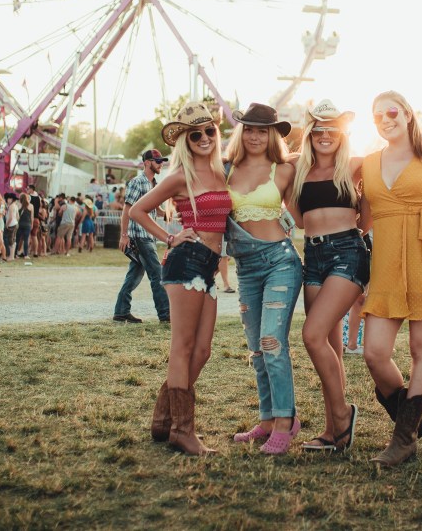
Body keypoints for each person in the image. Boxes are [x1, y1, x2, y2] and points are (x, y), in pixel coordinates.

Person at [359, 91, 422, 467]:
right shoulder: (368, 164)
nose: (385, 120)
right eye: (377, 116)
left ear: (407, 114)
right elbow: (362, 222)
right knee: (374, 353)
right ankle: (411, 417)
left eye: (391, 112)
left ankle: (403, 440)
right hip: (385, 268)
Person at [130, 102, 231, 456]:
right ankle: (183, 430)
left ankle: (163, 420)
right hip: (186, 261)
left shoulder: (222, 172)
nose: (204, 138)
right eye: (195, 134)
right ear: (185, 141)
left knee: (202, 351)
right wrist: (170, 237)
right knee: (183, 347)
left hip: (209, 266)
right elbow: (137, 210)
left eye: (209, 131)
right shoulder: (179, 177)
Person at [223, 102, 303, 455]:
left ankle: (286, 422)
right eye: (250, 130)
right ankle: (268, 420)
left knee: (272, 343)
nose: (255, 136)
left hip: (280, 262)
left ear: (272, 135)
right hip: (246, 268)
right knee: (257, 350)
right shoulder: (226, 170)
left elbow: (302, 217)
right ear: (241, 133)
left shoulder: (284, 169)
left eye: (262, 131)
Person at [287, 99, 366, 452]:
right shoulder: (296, 168)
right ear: (309, 133)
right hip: (313, 255)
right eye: (318, 129)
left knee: (312, 335)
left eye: (332, 129)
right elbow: (299, 220)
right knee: (329, 348)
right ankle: (333, 431)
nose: (325, 135)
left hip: (347, 253)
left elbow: (370, 215)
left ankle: (343, 415)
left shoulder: (355, 165)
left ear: (342, 134)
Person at [113, 149, 172, 323]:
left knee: (134, 275)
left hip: (147, 235)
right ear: (147, 162)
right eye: (157, 161)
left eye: (162, 161)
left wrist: (168, 214)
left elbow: (156, 210)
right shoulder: (137, 182)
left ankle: (121, 311)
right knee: (157, 274)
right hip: (139, 235)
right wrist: (124, 235)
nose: (161, 164)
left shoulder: (154, 184)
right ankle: (165, 314)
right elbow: (127, 210)